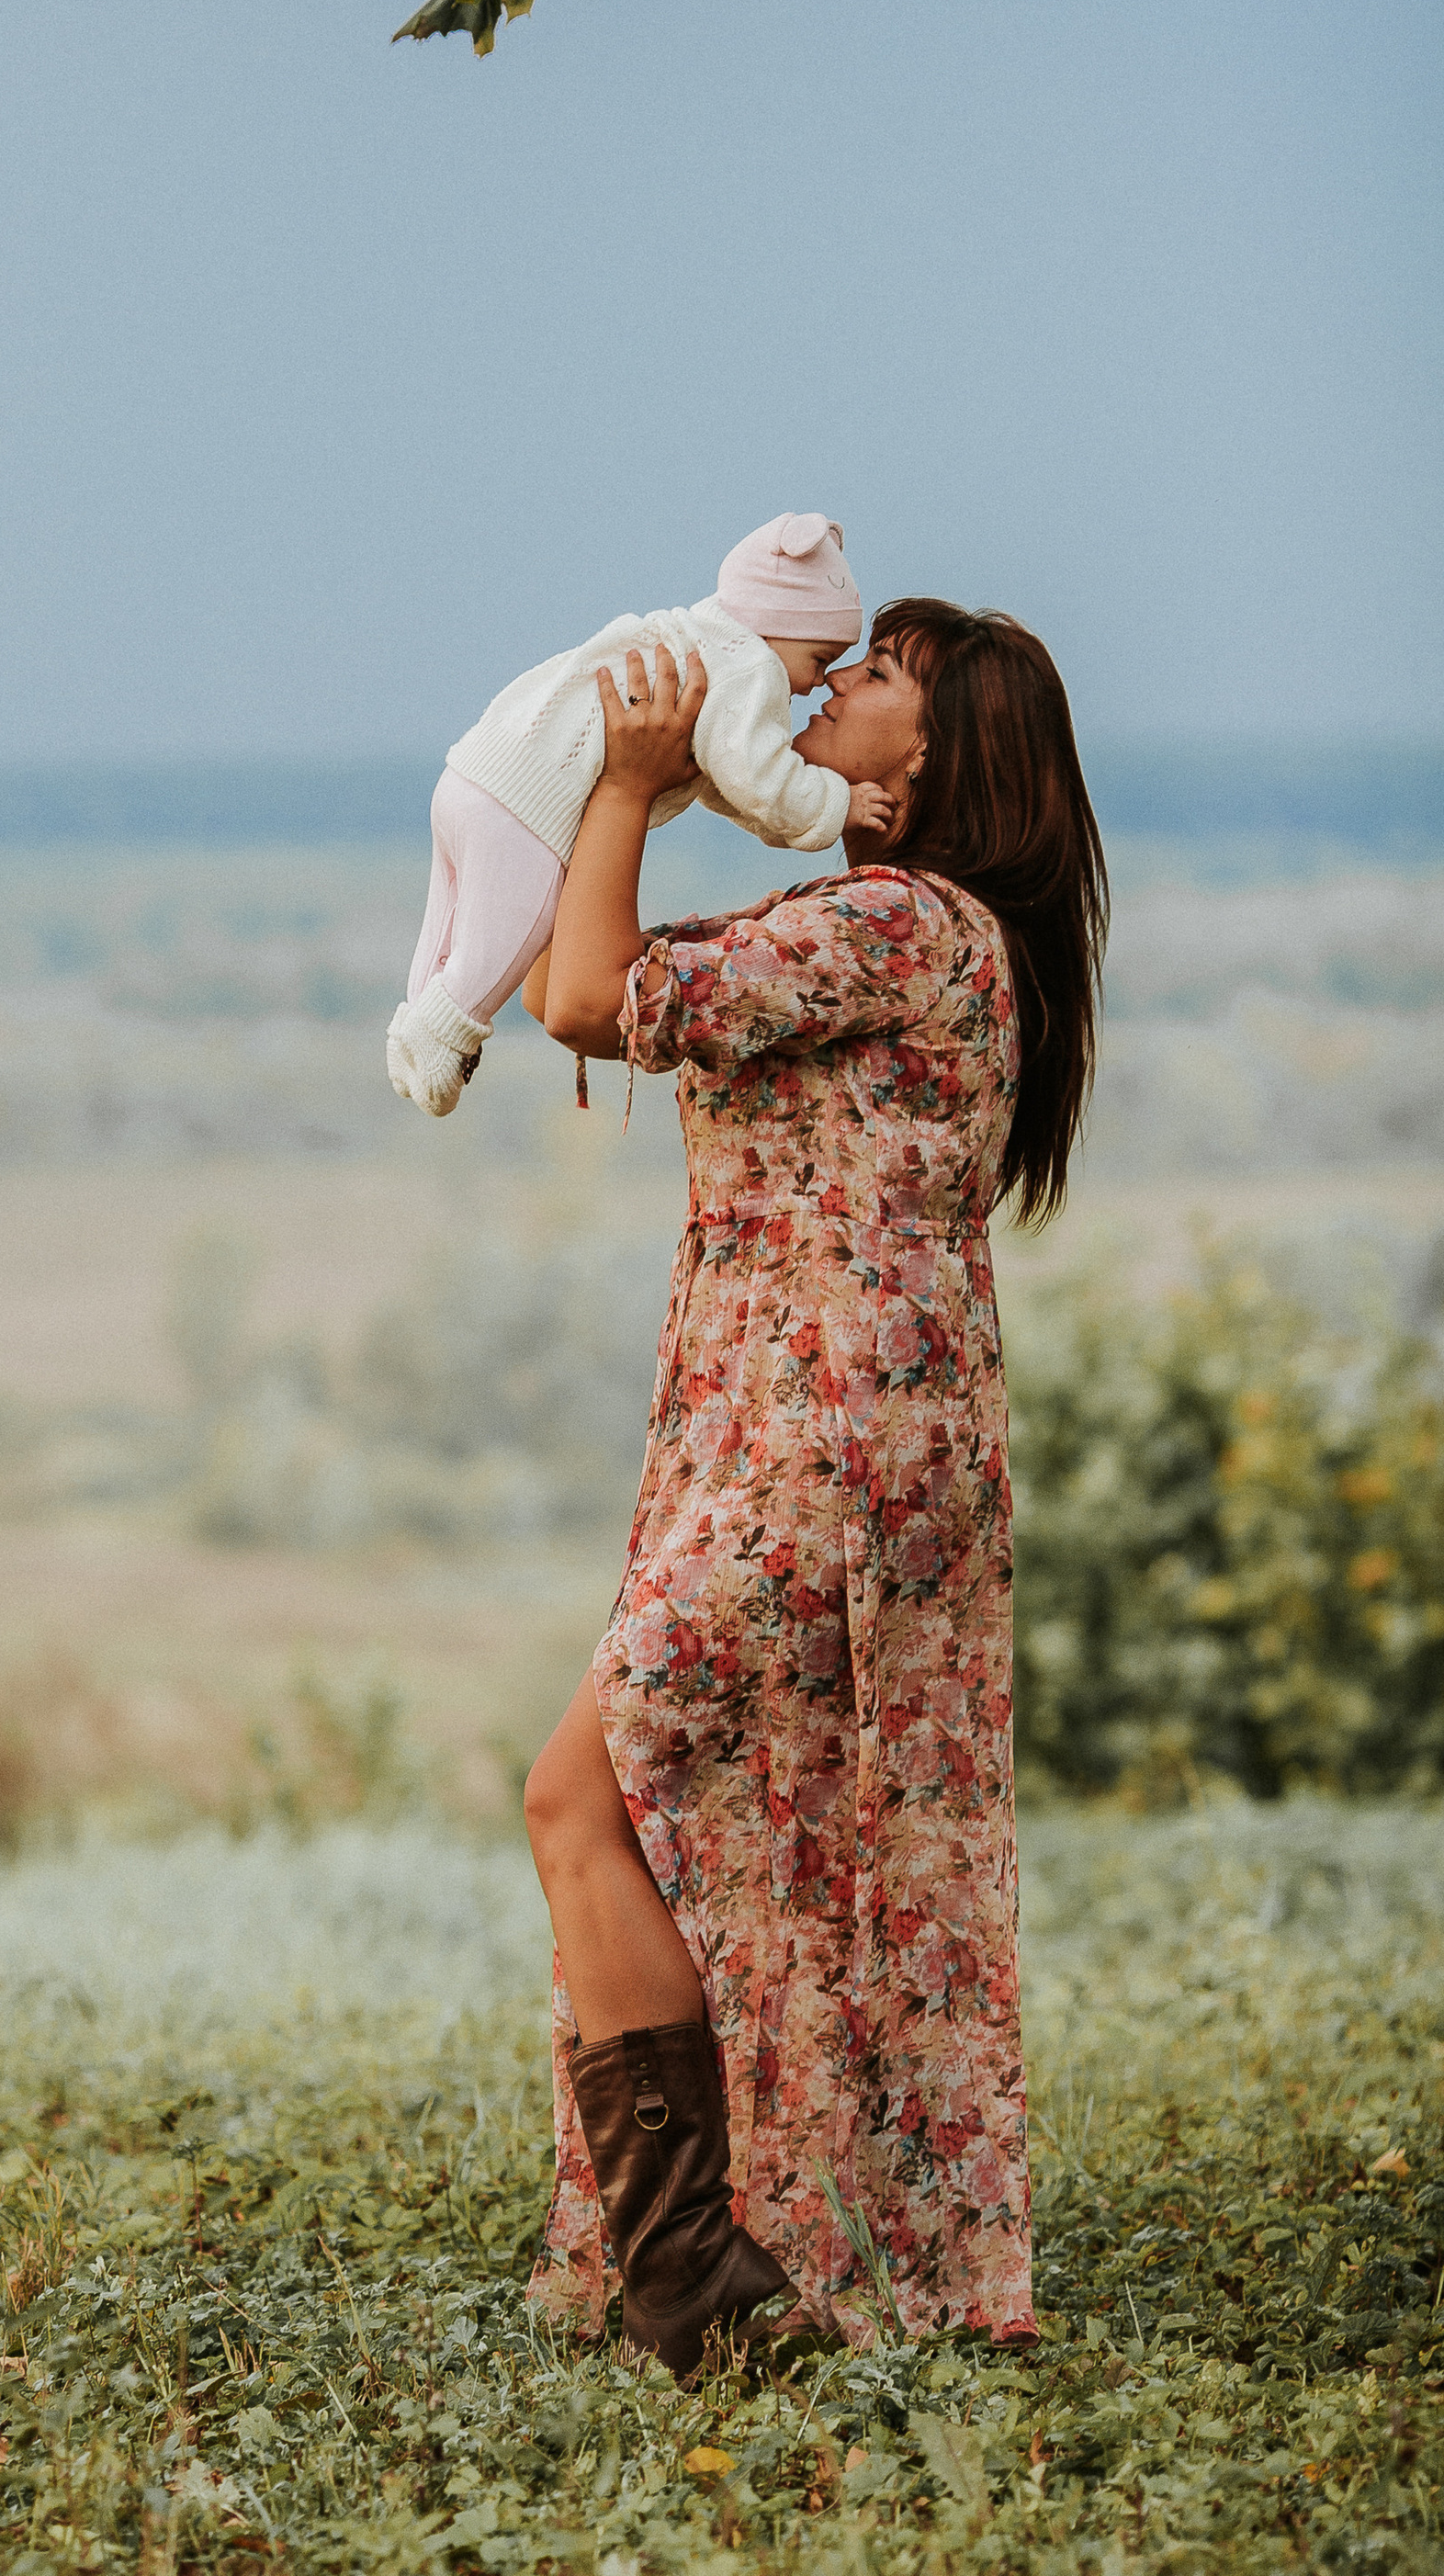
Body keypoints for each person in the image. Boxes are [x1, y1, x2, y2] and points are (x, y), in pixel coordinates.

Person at [515, 601, 1107, 2378]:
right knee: (793, 1841)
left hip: (816, 1437)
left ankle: (697, 2286)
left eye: (873, 682)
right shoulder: (931, 931)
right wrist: (722, 792)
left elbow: (580, 993)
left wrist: (631, 779)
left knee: (582, 1797)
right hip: (868, 1430)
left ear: (933, 757)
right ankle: (773, 2258)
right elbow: (641, 970)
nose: (827, 689)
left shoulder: (889, 923)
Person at [387, 515, 893, 1118]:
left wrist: (648, 789)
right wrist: (838, 804)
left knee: (446, 920)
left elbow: (730, 786)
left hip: (475, 774)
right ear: (780, 627)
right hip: (527, 809)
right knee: (497, 942)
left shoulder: (703, 639)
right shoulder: (750, 670)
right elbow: (761, 778)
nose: (822, 680)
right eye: (821, 657)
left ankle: (410, 1026)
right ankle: (447, 1038)